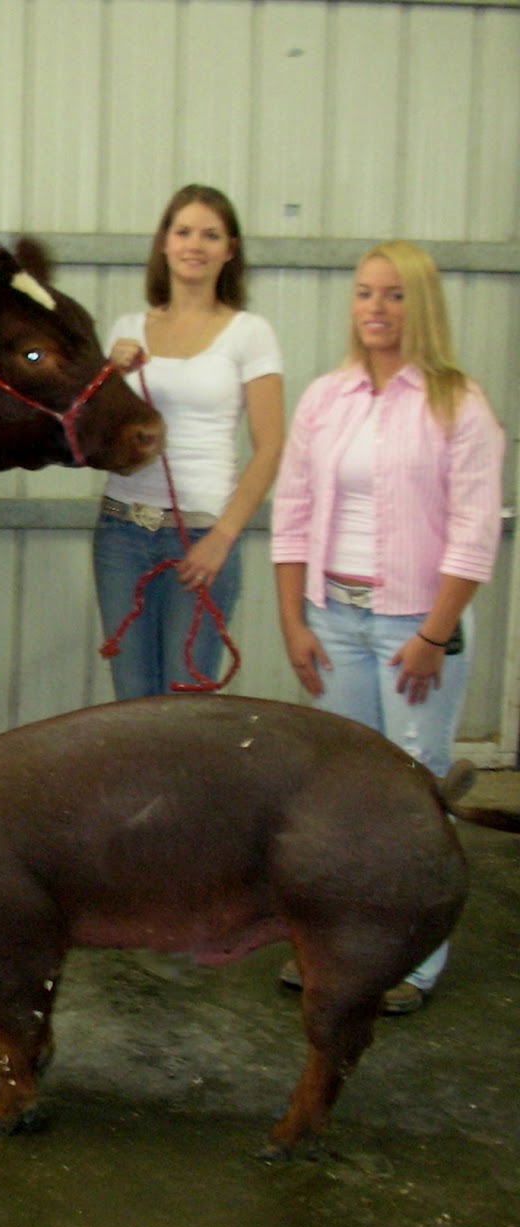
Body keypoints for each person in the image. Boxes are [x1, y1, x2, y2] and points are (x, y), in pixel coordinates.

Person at [270, 239, 505, 1015]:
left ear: (421, 307)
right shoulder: (326, 398)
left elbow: (476, 532)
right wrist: (294, 621)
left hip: (414, 628)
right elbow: (293, 514)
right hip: (333, 621)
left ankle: (416, 960)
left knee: (415, 794)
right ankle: (338, 948)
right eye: (366, 293)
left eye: (395, 295)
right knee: (339, 795)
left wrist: (435, 635)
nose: (376, 308)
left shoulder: (458, 404)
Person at [94, 184, 285, 699]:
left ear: (231, 249)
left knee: (186, 699)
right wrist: (110, 375)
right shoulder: (129, 329)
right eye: (183, 232)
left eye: (210, 234)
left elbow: (270, 448)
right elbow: (96, 440)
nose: (194, 244)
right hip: (121, 533)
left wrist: (223, 537)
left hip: (202, 540)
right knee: (131, 699)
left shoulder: (250, 333)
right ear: (163, 243)